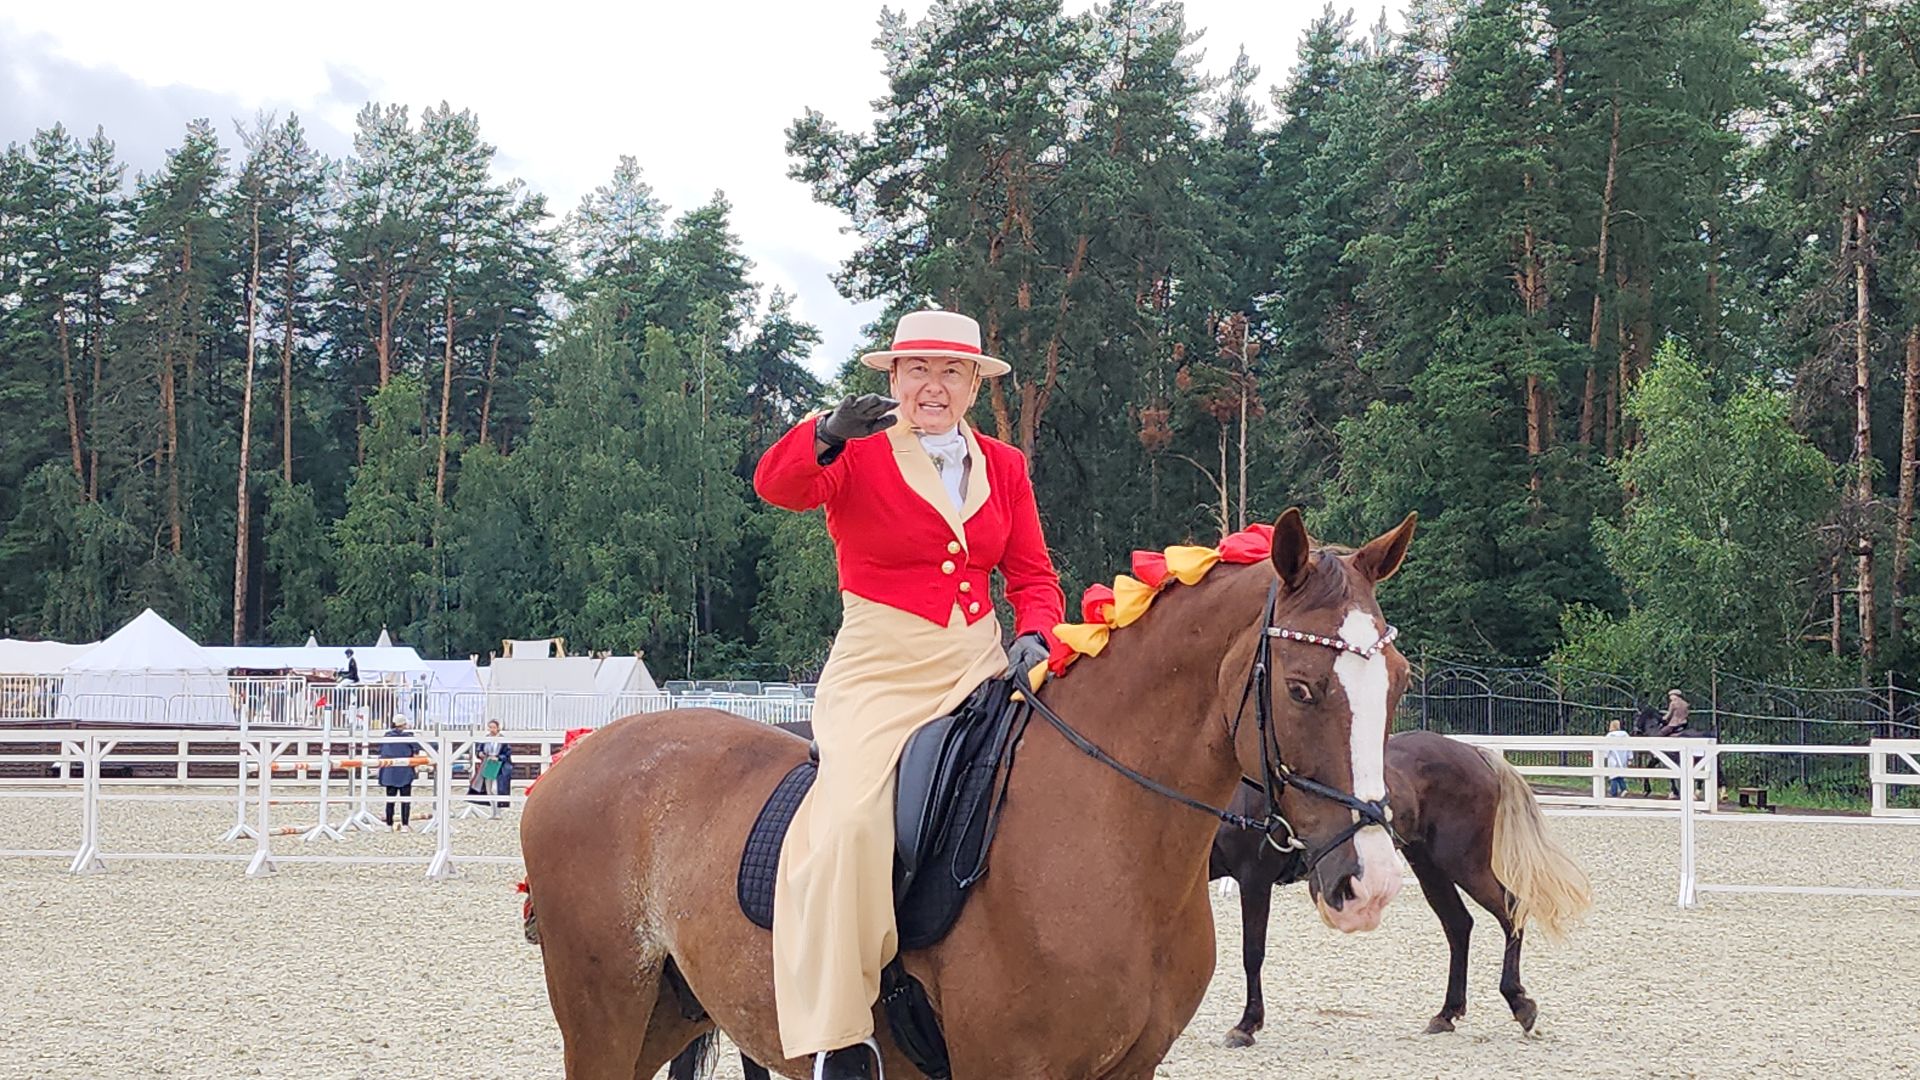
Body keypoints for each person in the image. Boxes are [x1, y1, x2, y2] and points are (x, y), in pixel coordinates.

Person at [754, 309, 1065, 1079]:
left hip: (980, 660)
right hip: (881, 666)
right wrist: (825, 431)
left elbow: (1032, 576)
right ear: (893, 378)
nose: (934, 385)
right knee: (853, 820)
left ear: (973, 386)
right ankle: (840, 1034)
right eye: (919, 369)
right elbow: (777, 487)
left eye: (951, 371)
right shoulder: (858, 450)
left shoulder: (1005, 465)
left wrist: (1036, 631)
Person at [378, 716, 421, 830]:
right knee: (405, 800)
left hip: (390, 771)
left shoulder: (387, 736)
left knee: (390, 800)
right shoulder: (408, 736)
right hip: (405, 771)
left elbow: (381, 751)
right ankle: (405, 825)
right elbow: (416, 751)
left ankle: (388, 825)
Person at [476, 719, 514, 815]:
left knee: (496, 788)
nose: (492, 729)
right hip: (488, 763)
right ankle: (493, 810)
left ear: (497, 728)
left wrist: (498, 757)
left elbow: (507, 753)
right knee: (489, 789)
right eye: (490, 727)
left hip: (499, 764)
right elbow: (479, 749)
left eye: (493, 727)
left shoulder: (503, 740)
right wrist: (480, 753)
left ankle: (498, 811)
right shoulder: (486, 739)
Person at [1604, 718, 1631, 798]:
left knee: (1613, 776)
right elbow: (1630, 746)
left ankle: (1614, 792)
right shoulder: (1625, 735)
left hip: (1613, 757)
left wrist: (1605, 756)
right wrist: (1630, 757)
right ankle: (1624, 789)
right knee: (1620, 775)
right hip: (1623, 757)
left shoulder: (1610, 736)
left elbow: (1606, 747)